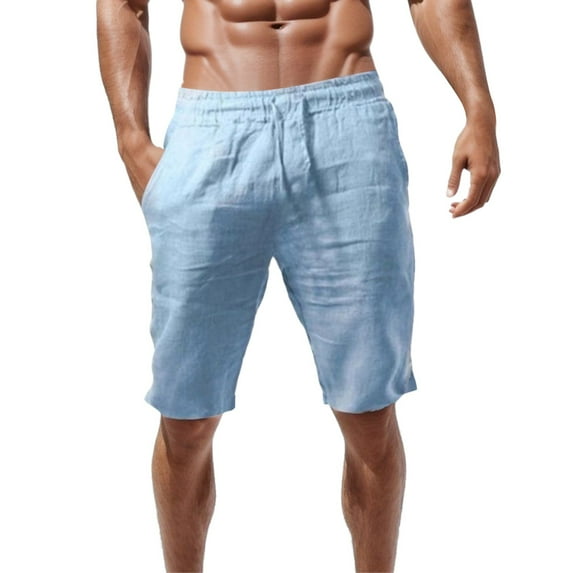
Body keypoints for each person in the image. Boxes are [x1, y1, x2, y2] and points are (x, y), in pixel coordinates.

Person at [96, 0, 500, 571]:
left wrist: (478, 108)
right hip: (212, 130)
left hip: (347, 125)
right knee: (186, 418)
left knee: (369, 413)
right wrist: (130, 140)